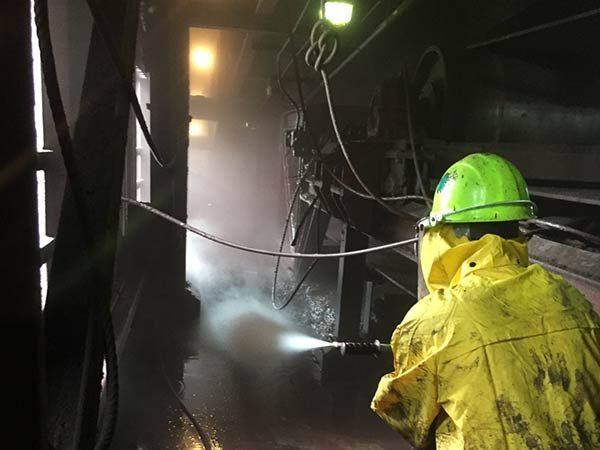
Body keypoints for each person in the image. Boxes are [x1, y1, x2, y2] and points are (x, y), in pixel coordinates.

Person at [371, 153, 600, 449]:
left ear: (449, 233)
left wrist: (394, 382)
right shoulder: (570, 299)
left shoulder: (433, 320)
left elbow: (411, 422)